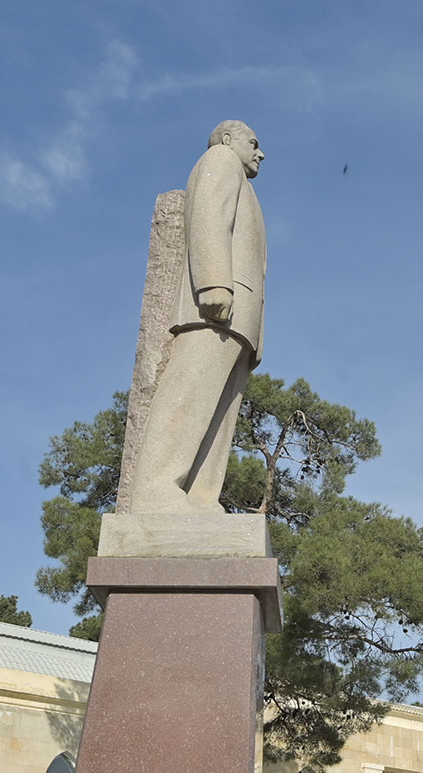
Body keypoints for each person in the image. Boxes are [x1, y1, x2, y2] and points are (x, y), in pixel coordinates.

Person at [125, 120, 267, 513]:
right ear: (228, 139)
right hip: (217, 309)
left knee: (219, 413)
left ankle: (200, 497)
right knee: (190, 391)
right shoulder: (220, 159)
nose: (261, 153)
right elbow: (208, 216)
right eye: (253, 143)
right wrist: (213, 283)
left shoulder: (245, 183)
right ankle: (156, 489)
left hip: (241, 319)